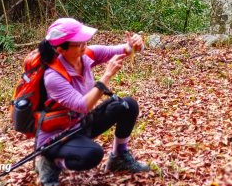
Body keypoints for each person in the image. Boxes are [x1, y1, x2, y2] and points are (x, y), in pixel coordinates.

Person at [35, 18, 149, 186]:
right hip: (58, 136)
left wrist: (135, 45)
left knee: (128, 105)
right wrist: (106, 76)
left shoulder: (86, 54)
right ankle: (51, 162)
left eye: (85, 41)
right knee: (92, 154)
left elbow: (124, 50)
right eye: (79, 43)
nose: (85, 44)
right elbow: (83, 105)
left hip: (82, 123)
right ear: (61, 49)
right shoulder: (53, 77)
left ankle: (119, 158)